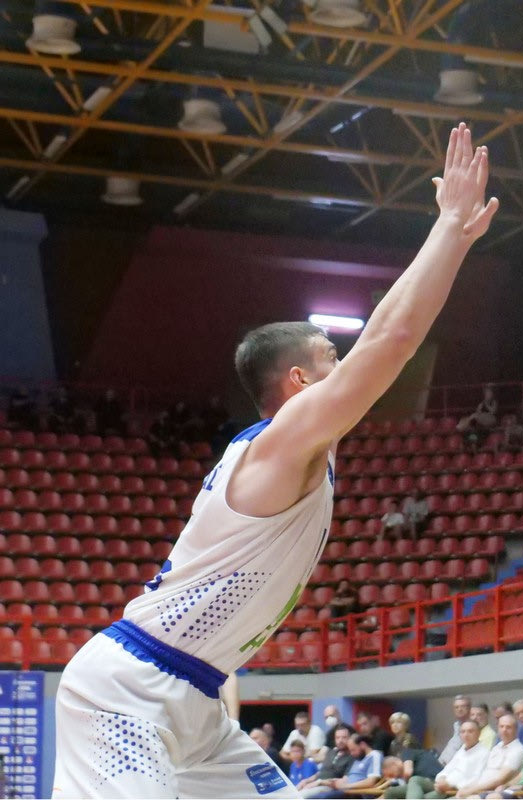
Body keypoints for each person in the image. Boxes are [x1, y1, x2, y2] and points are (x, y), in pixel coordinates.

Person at [51, 123, 498, 799]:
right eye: (333, 358)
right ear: (298, 382)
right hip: (127, 693)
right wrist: (451, 230)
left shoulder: (293, 451)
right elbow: (393, 337)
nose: (348, 369)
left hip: (194, 699)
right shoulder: (281, 441)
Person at [409, 720, 488, 799]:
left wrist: (450, 785)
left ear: (479, 733)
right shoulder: (462, 749)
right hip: (443, 785)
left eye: (470, 731)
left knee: (423, 797)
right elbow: (448, 769)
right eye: (463, 732)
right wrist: (441, 778)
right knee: (415, 780)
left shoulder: (484, 753)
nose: (466, 735)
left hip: (457, 791)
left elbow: (475, 781)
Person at [456, 715, 523, 799]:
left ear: (516, 730)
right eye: (501, 726)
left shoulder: (517, 750)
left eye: (508, 727)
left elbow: (500, 780)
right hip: (479, 790)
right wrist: (467, 788)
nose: (504, 730)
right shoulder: (497, 747)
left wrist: (470, 790)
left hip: (493, 793)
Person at [298, 725, 356, 798]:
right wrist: (306, 781)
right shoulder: (331, 752)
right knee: (291, 793)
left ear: (349, 739)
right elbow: (321, 772)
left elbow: (344, 781)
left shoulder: (352, 757)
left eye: (344, 737)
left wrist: (319, 783)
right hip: (316, 784)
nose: (340, 740)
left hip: (329, 787)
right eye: (337, 737)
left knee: (299, 796)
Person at [441, 695, 474, 765]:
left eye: (463, 706)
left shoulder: (473, 728)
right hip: (442, 764)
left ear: (469, 709)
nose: (459, 709)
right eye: (456, 707)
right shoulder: (456, 725)